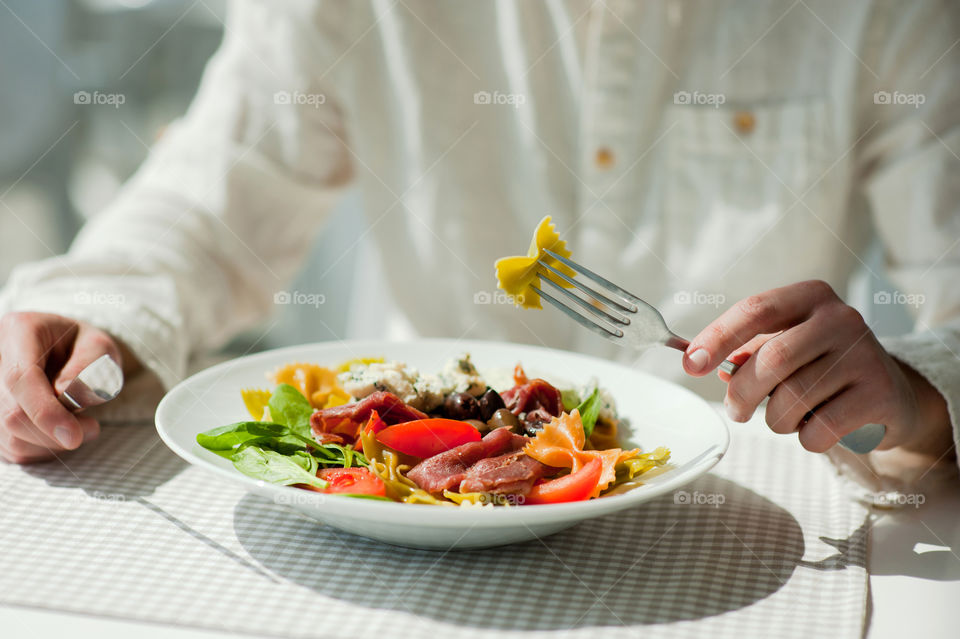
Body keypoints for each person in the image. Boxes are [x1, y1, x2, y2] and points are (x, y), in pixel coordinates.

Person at [0, 1, 957, 480]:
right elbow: (209, 205)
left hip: (761, 521)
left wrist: (911, 390)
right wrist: (93, 310)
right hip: (402, 511)